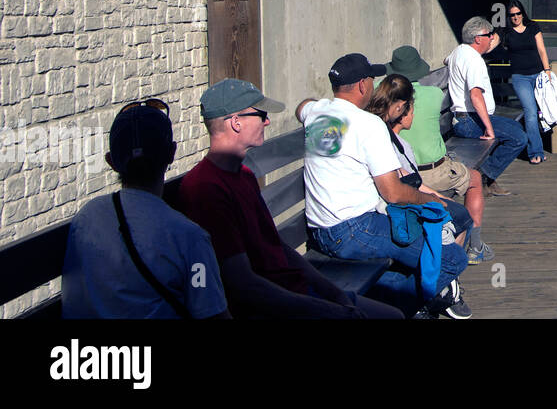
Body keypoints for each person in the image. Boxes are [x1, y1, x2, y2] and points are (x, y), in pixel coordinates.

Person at [178, 78, 403, 319]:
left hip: (297, 292)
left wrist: (334, 293)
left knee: (393, 315)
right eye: (261, 114)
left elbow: (277, 245)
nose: (267, 121)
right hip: (274, 306)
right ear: (235, 122)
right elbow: (244, 286)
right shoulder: (206, 189)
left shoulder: (243, 175)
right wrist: (328, 308)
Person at [298, 53, 471, 318]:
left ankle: (372, 302)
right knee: (452, 259)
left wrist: (315, 105)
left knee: (409, 260)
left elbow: (302, 106)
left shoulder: (317, 113)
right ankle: (390, 308)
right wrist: (430, 200)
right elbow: (393, 193)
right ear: (362, 86)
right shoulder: (369, 125)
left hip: (321, 230)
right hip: (355, 228)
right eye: (372, 79)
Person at [62, 99, 230, 319]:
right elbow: (212, 313)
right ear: (172, 152)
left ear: (111, 162)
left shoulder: (86, 218)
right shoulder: (191, 238)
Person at [365, 72, 494, 265]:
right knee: (464, 206)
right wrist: (435, 199)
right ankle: (456, 261)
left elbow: (408, 178)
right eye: (412, 110)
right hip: (403, 203)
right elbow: (401, 188)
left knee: (455, 211)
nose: (414, 114)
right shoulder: (432, 93)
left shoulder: (382, 127)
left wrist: (436, 196)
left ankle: (447, 266)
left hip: (412, 187)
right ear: (401, 110)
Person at [446, 16, 528, 194]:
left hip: (464, 118)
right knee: (518, 138)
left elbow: (448, 60)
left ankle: (488, 177)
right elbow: (475, 95)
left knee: (514, 126)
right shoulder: (474, 60)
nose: (492, 38)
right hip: (468, 121)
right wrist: (488, 128)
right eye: (489, 35)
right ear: (477, 39)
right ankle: (482, 178)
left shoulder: (459, 51)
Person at [495, 0, 553, 165]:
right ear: (508, 16)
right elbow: (489, 44)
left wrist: (547, 70)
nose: (515, 17)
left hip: (538, 75)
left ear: (522, 13)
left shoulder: (533, 27)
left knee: (545, 110)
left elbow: (542, 50)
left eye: (518, 13)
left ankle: (538, 144)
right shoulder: (505, 32)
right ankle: (536, 151)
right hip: (520, 77)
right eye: (512, 15)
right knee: (530, 112)